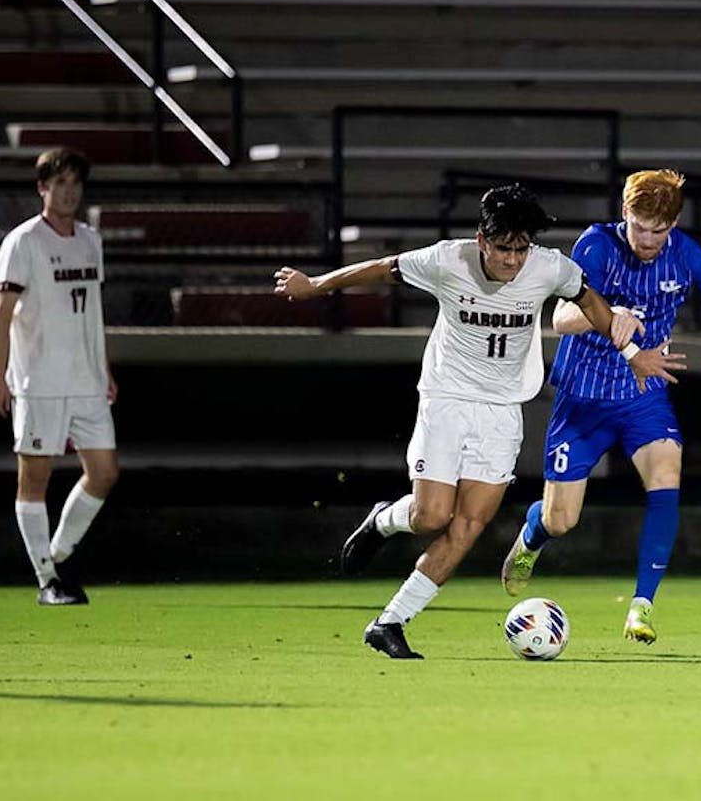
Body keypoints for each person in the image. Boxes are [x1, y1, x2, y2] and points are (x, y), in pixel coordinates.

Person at [274, 183, 642, 659]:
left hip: (504, 410)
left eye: (521, 248)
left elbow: (588, 299)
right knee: (430, 516)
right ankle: (384, 520)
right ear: (482, 240)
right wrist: (317, 286)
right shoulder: (449, 260)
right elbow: (383, 269)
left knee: (468, 525)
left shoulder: (549, 267)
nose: (513, 260)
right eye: (504, 248)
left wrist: (629, 348)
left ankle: (390, 622)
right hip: (446, 399)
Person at [500, 169, 701, 644]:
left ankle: (641, 607)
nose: (647, 239)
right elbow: (560, 318)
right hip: (583, 396)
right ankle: (533, 533)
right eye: (639, 226)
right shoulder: (597, 246)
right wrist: (607, 314)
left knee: (667, 471)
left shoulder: (686, 255)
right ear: (625, 213)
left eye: (658, 230)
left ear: (674, 223)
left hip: (644, 394)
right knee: (563, 520)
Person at [0, 148, 119, 606]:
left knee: (103, 472)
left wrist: (104, 367)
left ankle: (56, 556)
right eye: (59, 183)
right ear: (42, 187)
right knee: (35, 480)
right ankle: (46, 579)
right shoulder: (23, 242)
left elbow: (92, 313)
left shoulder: (89, 239)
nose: (68, 192)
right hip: (39, 381)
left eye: (75, 184)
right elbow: (1, 315)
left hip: (85, 380)